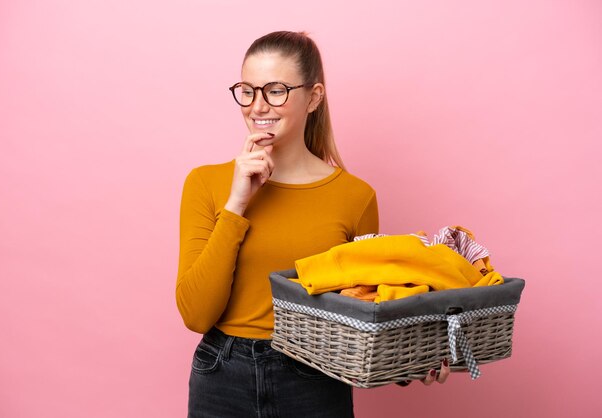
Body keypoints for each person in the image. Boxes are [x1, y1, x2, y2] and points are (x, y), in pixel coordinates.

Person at [176, 30, 450, 418]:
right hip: (223, 375)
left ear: (314, 97)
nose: (257, 106)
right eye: (248, 90)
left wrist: (412, 359)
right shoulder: (206, 183)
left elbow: (363, 307)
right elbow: (197, 315)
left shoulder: (354, 197)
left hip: (316, 375)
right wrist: (237, 204)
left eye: (275, 90)